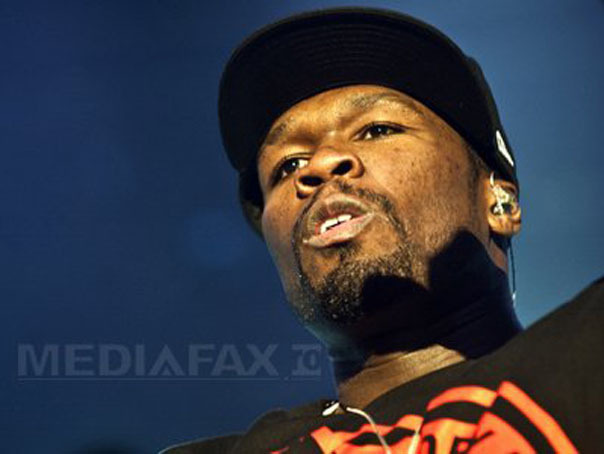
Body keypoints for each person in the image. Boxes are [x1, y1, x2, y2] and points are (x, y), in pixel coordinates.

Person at [161, 7, 603, 453]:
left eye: (376, 129)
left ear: (498, 203)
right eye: (288, 165)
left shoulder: (583, 360)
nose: (320, 164)